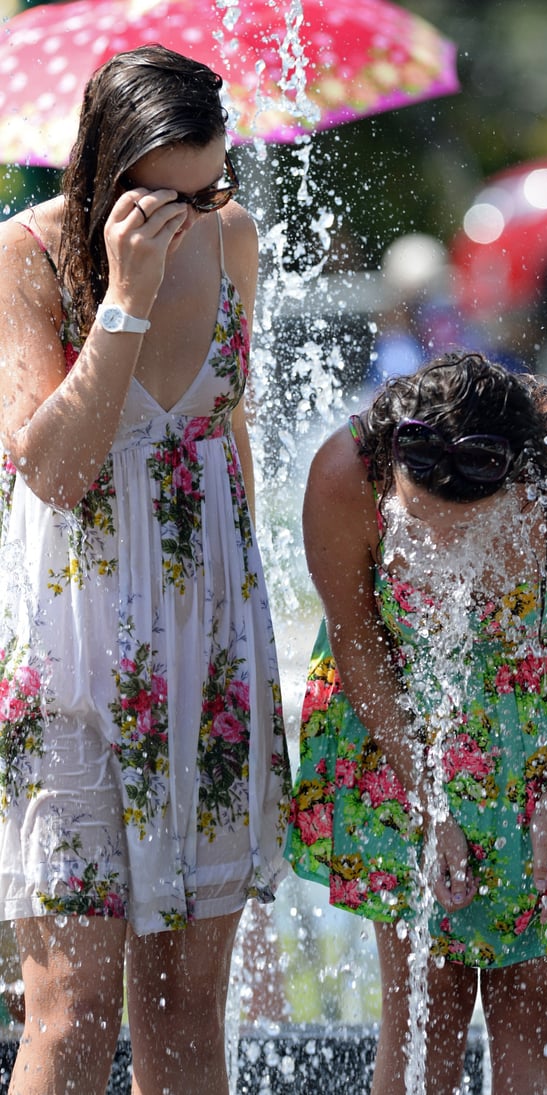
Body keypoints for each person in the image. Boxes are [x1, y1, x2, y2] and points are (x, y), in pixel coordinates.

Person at [0, 45, 291, 1095]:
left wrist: (254, 640)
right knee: (71, 1014)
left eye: (206, 188)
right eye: (159, 197)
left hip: (208, 649)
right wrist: (122, 300)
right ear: (102, 173)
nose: (187, 215)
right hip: (74, 661)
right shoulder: (28, 257)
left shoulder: (234, 237)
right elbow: (56, 470)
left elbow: (231, 431)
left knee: (185, 1020)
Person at [288, 352, 547, 1094]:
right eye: (421, 533)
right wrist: (427, 801)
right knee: (424, 1014)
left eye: (470, 535)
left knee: (538, 1017)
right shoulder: (344, 474)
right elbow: (357, 646)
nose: (443, 558)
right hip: (396, 720)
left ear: (524, 481)